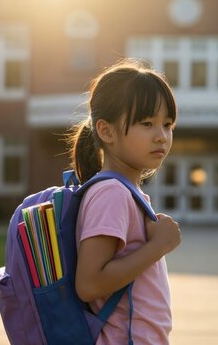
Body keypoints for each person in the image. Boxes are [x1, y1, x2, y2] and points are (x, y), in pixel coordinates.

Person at [67, 58, 182, 345]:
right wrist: (159, 246)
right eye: (147, 123)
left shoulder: (124, 192)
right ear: (106, 131)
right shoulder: (112, 194)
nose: (161, 136)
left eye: (167, 124)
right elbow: (89, 284)